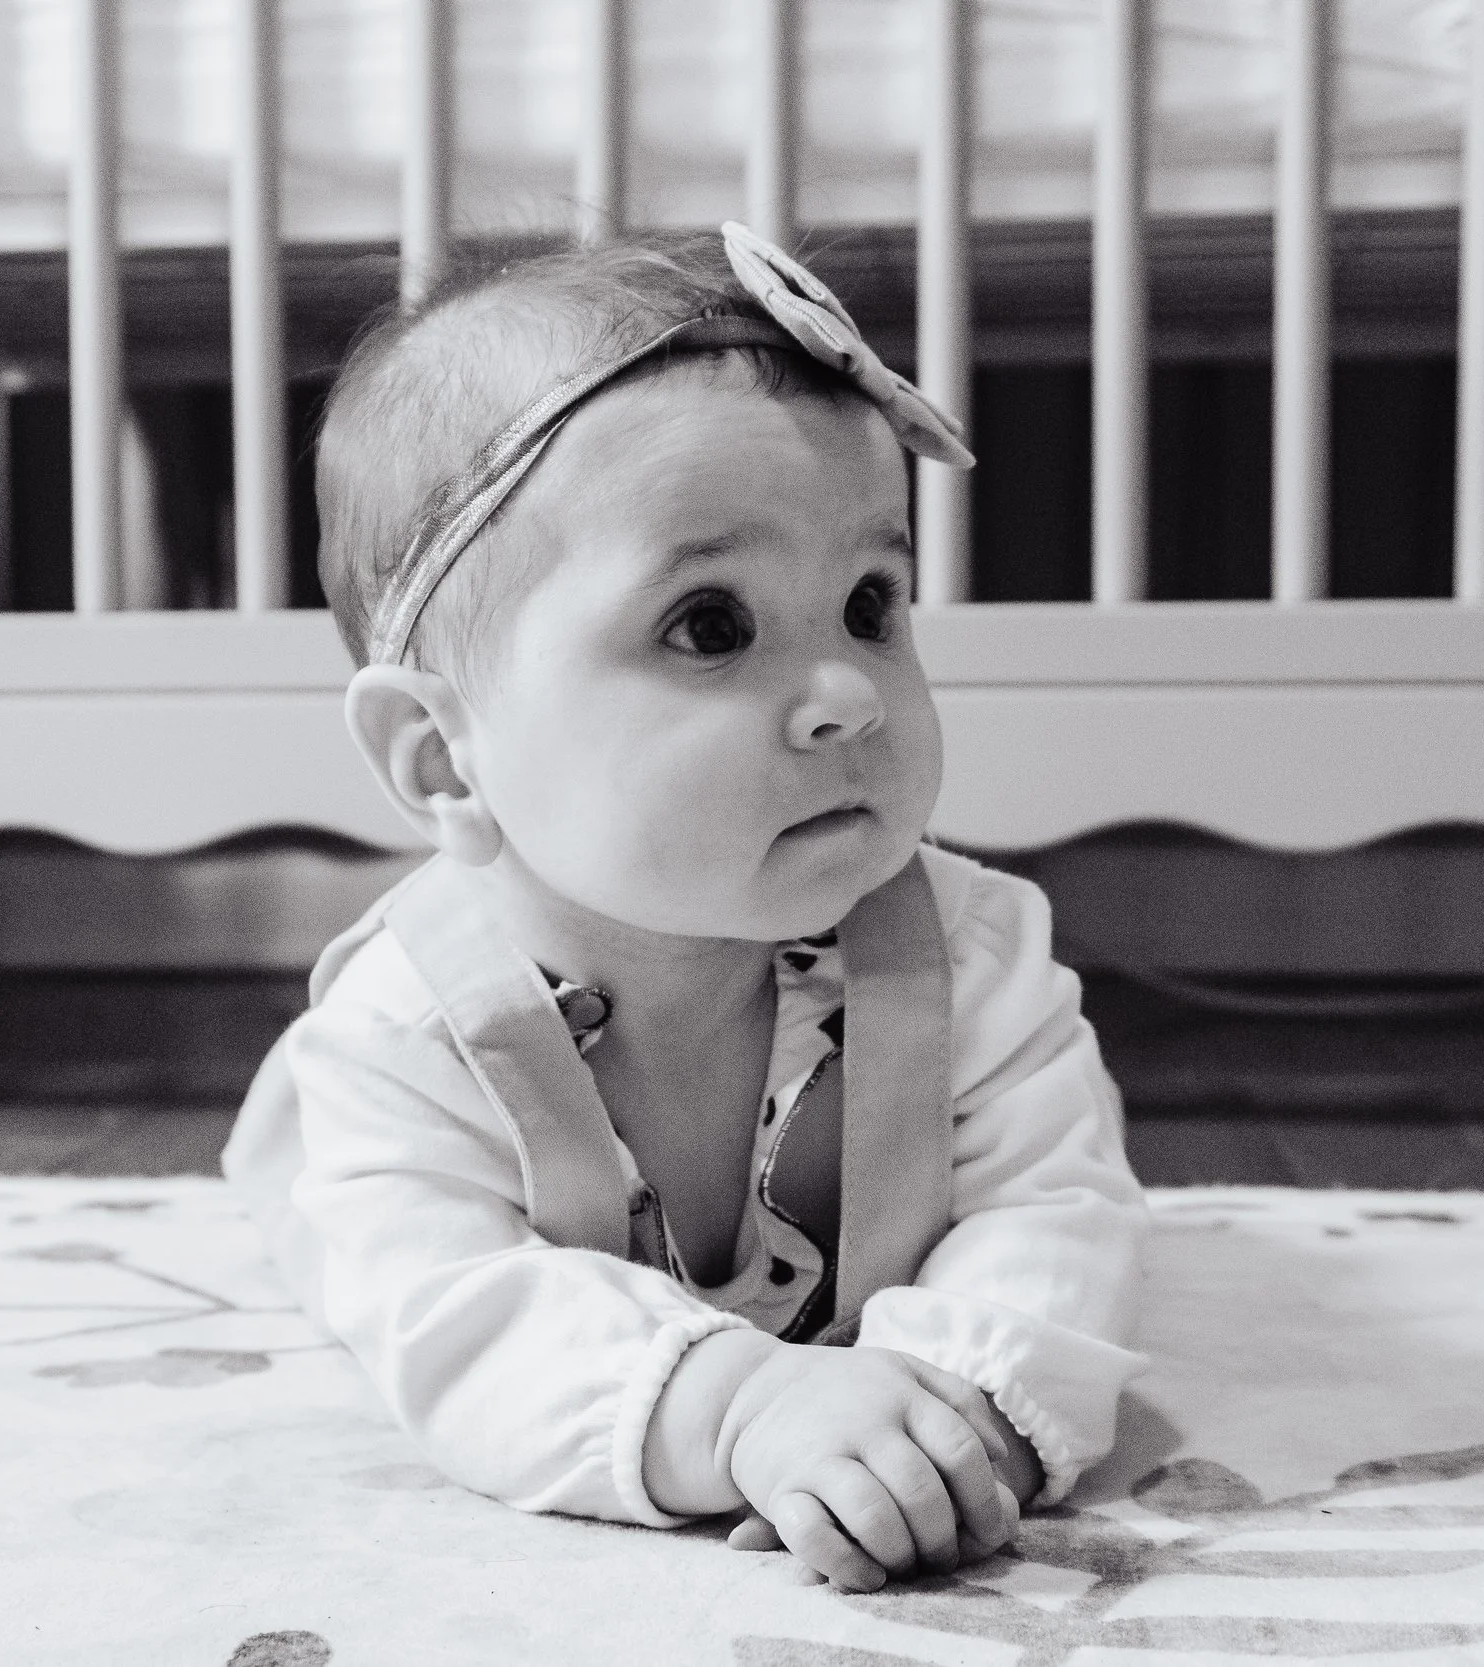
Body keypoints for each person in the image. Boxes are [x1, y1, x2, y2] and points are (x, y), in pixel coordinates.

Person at [225, 224, 1147, 1593]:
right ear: (442, 757)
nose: (846, 690)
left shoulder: (971, 960)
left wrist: (953, 1404)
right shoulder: (406, 1038)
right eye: (710, 624)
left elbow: (1057, 1207)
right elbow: (464, 1319)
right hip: (366, 1184)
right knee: (357, 1249)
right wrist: (741, 1408)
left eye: (869, 601)